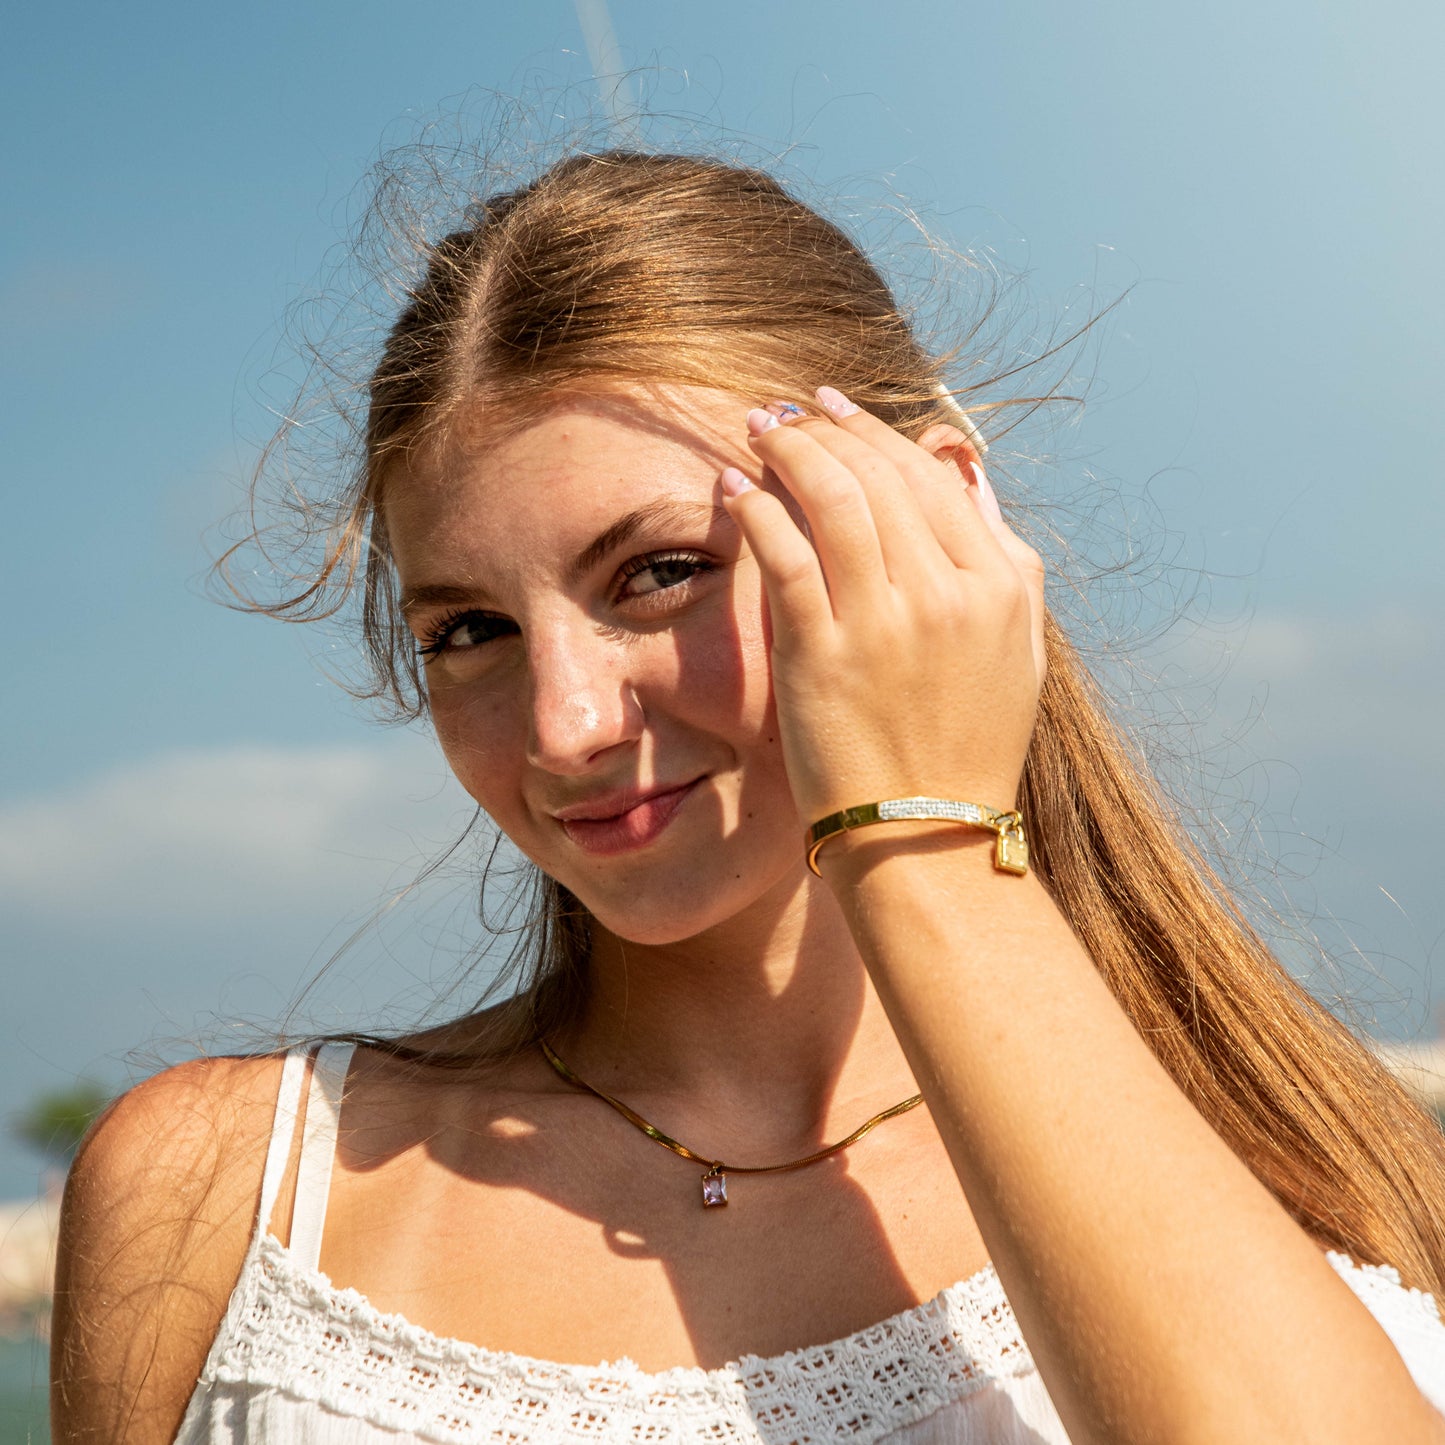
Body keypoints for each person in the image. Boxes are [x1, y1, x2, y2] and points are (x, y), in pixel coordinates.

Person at [49, 149, 1445, 1445]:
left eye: (657, 572)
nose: (565, 726)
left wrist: (918, 835)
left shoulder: (1330, 1170)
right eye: (469, 630)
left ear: (936, 509)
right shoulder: (224, 1192)